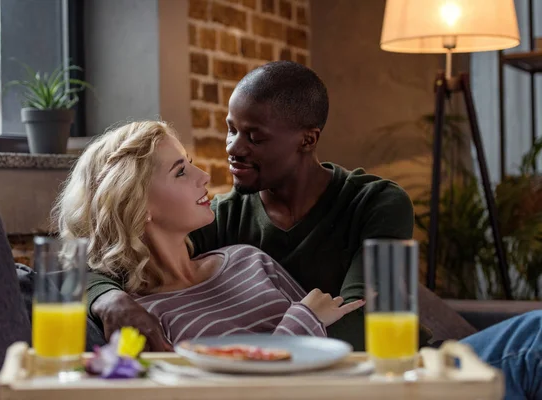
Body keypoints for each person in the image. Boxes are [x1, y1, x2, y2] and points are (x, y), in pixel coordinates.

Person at [84, 62, 541, 399]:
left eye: (254, 136)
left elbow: (363, 328)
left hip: (407, 372)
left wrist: (294, 334)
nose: (231, 151)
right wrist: (108, 297)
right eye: (230, 131)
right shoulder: (222, 218)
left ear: (307, 138)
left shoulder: (373, 203)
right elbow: (116, 252)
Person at [55, 120, 365, 345]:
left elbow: (330, 354)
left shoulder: (248, 260)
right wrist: (303, 322)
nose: (204, 177)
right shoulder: (145, 318)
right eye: (180, 171)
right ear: (138, 205)